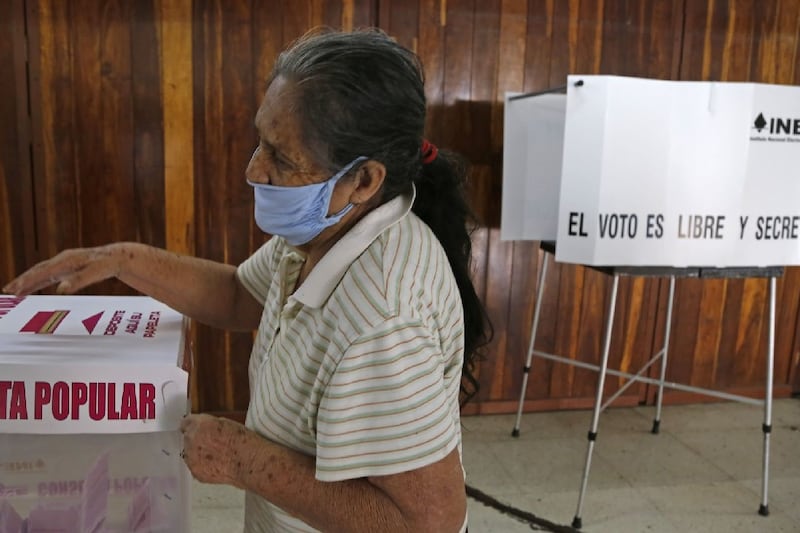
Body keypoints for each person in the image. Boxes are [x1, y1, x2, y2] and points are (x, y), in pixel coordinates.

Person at [2, 28, 490, 532]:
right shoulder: (320, 233)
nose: (254, 170)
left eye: (281, 157)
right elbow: (239, 295)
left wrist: (245, 461)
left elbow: (428, 524)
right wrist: (122, 260)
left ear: (363, 180)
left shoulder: (384, 318)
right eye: (262, 140)